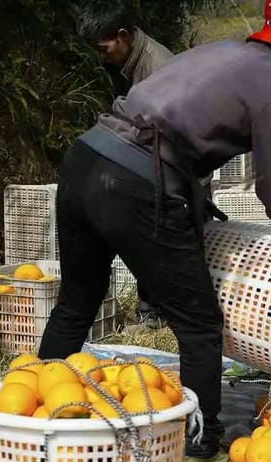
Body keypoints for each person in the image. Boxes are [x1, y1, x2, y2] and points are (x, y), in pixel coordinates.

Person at [38, 0, 271, 462]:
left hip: (85, 161)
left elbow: (179, 129)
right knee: (200, 320)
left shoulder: (228, 52)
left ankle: (36, 413)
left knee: (78, 301)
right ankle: (200, 447)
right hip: (135, 182)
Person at [77, 1, 174, 329]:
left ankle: (159, 317)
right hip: (148, 161)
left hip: (172, 165)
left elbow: (173, 132)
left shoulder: (156, 69)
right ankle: (153, 313)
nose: (100, 56)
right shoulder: (128, 62)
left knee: (161, 235)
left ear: (122, 37)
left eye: (104, 48)